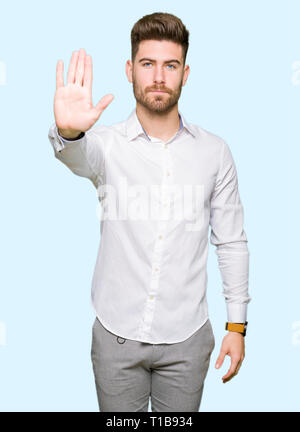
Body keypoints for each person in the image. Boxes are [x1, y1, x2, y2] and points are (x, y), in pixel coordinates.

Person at [48, 12, 251, 412]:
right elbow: (74, 153)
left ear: (185, 73)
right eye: (148, 64)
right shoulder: (105, 146)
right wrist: (70, 131)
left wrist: (237, 326)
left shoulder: (215, 152)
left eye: (170, 65)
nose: (159, 76)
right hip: (115, 337)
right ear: (130, 70)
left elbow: (231, 241)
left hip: (188, 339)